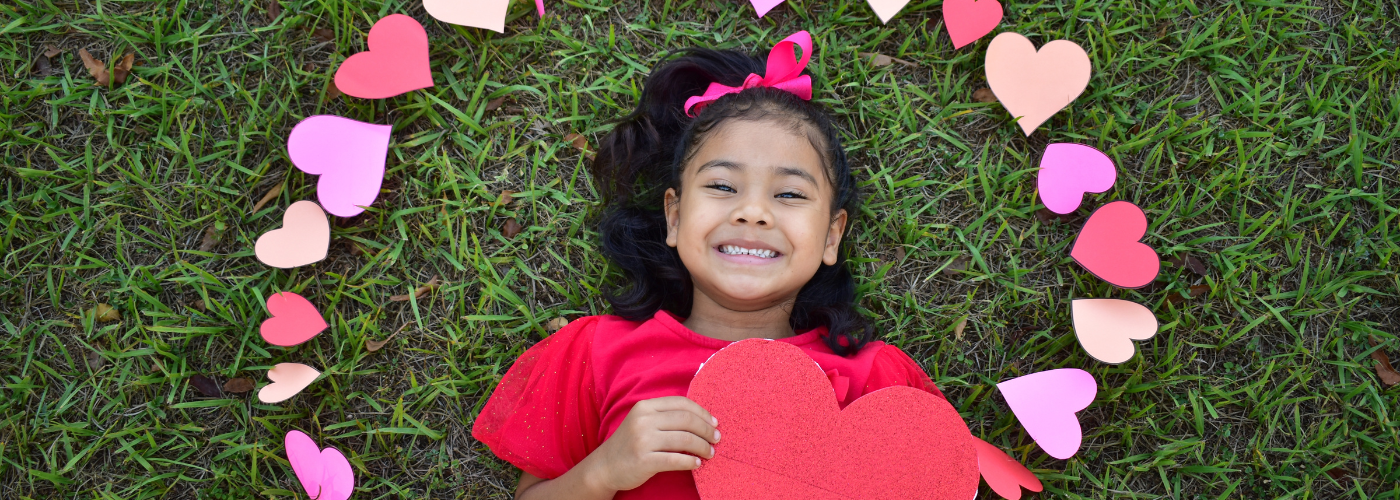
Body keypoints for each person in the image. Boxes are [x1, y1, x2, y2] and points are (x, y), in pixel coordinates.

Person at [471, 31, 948, 500]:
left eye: (789, 194)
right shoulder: (596, 354)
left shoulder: (876, 380)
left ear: (831, 235)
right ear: (674, 217)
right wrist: (604, 471)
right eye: (722, 186)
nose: (753, 212)